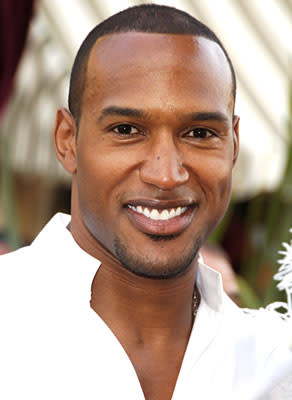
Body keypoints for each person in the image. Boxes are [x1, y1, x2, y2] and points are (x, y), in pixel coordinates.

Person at [0, 4, 291, 399]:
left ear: (234, 145)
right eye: (126, 129)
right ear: (67, 139)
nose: (166, 174)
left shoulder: (274, 364)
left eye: (200, 133)